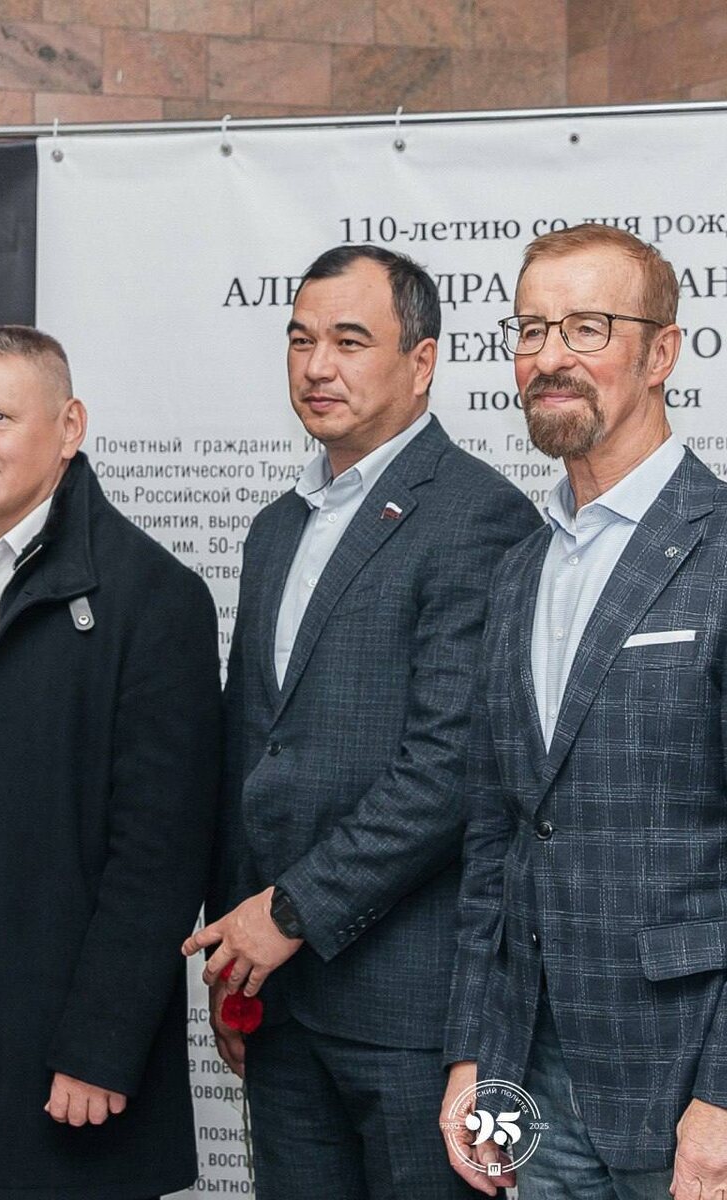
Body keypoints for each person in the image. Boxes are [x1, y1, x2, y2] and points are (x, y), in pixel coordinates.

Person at [439, 224, 727, 1200]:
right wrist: (474, 1057)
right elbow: (497, 839)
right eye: (531, 329)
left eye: (587, 327)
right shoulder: (519, 571)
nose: (550, 357)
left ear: (662, 352)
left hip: (689, 1088)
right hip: (530, 1081)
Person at [185, 244, 541, 1200]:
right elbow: (252, 748)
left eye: (349, 341)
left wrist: (286, 914)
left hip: (412, 1016)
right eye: (300, 340)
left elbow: (449, 770)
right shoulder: (275, 528)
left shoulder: (478, 517)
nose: (317, 366)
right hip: (279, 1002)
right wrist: (236, 954)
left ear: (421, 363)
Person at [0, 325, 221, 1200]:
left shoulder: (154, 600)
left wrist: (100, 1046)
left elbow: (159, 855)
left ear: (69, 426)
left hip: (60, 1046)